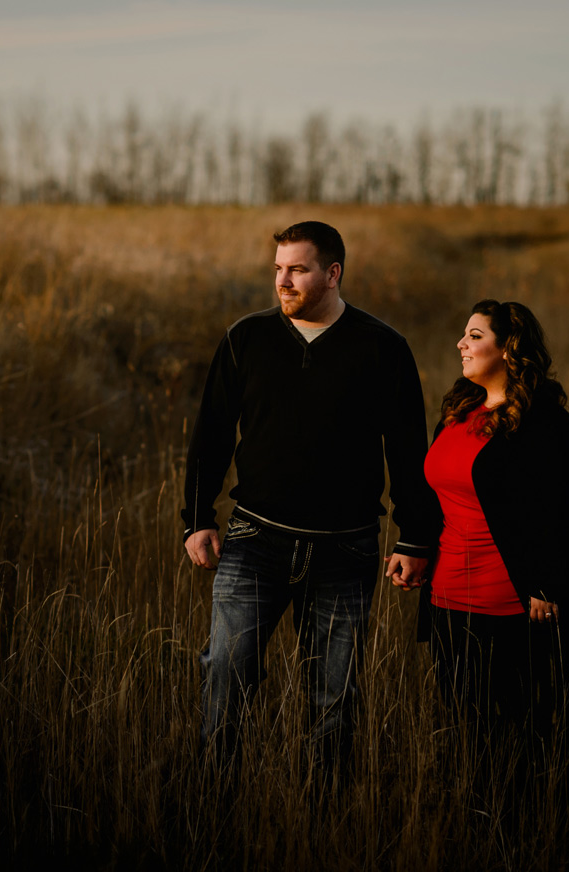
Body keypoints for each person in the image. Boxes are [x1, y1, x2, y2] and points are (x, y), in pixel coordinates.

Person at [183, 220, 440, 781]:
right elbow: (210, 437)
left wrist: (416, 535)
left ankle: (323, 817)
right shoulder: (245, 339)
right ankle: (212, 808)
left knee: (334, 696)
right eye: (277, 269)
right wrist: (197, 519)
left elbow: (406, 448)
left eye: (297, 269)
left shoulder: (383, 348)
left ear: (333, 273)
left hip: (345, 550)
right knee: (226, 673)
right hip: (254, 539)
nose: (283, 281)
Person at [390, 299, 569, 749]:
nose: (461, 343)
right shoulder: (459, 412)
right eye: (464, 334)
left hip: (514, 602)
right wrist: (416, 550)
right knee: (466, 727)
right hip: (447, 600)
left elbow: (558, 510)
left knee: (533, 731)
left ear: (509, 349)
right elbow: (436, 497)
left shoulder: (546, 424)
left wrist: (545, 585)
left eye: (475, 336)